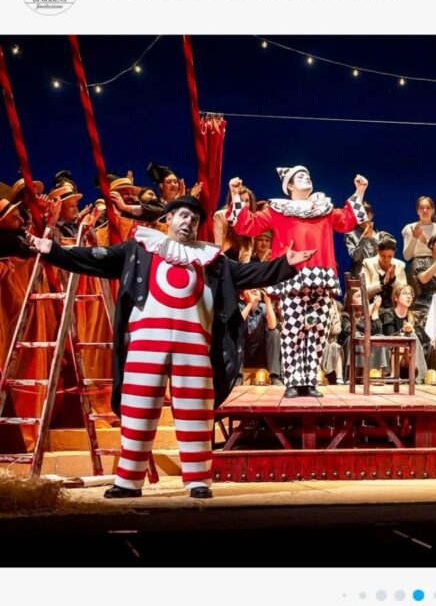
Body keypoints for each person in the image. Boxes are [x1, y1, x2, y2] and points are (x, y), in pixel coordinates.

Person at [25, 194, 311, 499]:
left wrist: (285, 265)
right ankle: (128, 481)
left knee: (196, 413)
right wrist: (53, 251)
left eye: (195, 219)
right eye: (183, 215)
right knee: (138, 410)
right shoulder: (140, 248)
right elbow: (98, 257)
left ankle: (198, 480)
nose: (189, 222)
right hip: (145, 343)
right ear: (169, 218)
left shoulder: (211, 259)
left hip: (194, 346)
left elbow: (246, 274)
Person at [228, 166, 368, 398]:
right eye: (300, 176)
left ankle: (310, 379)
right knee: (293, 330)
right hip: (292, 276)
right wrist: (235, 195)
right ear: (290, 186)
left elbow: (346, 221)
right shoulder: (278, 210)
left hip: (321, 277)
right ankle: (293, 380)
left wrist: (359, 191)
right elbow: (247, 225)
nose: (307, 178)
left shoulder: (322, 208)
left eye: (308, 175)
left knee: (318, 330)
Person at [380, 283, 428, 378]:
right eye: (405, 293)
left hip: (409, 355)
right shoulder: (389, 313)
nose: (409, 296)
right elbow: (390, 336)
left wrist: (411, 329)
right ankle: (394, 374)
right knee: (402, 339)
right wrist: (404, 330)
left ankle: (416, 375)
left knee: (409, 337)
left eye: (410, 294)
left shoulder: (414, 316)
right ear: (396, 298)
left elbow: (421, 340)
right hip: (390, 351)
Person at [238, 288, 282, 386]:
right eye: (250, 287)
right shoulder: (238, 307)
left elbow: (272, 325)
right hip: (243, 353)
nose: (254, 289)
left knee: (274, 333)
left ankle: (274, 376)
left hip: (261, 352)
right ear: (242, 296)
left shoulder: (264, 307)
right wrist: (250, 304)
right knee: (235, 332)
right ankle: (238, 376)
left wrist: (268, 302)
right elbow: (237, 324)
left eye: (257, 288)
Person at [344, 201, 391, 276]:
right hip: (359, 275)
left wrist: (371, 238)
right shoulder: (350, 235)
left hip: (377, 274)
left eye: (367, 214)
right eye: (361, 214)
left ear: (371, 215)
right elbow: (355, 257)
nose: (364, 218)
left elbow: (384, 254)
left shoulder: (379, 234)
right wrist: (363, 238)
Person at [401, 196, 436, 262]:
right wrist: (414, 238)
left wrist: (425, 241)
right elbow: (407, 257)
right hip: (417, 265)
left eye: (428, 208)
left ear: (433, 210)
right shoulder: (409, 228)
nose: (425, 210)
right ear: (417, 211)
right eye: (421, 208)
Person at [362, 236, 407, 305]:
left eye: (390, 256)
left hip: (394, 306)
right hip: (373, 305)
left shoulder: (400, 265)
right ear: (378, 251)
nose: (386, 260)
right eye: (383, 256)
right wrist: (382, 283)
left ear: (394, 254)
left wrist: (393, 280)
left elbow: (404, 291)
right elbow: (364, 290)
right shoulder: (368, 264)